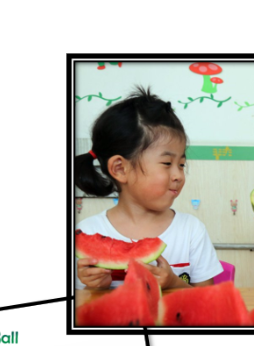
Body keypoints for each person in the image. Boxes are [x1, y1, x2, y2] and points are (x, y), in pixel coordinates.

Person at [75, 87, 222, 290]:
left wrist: (174, 284)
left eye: (181, 164)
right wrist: (94, 287)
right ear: (120, 169)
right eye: (167, 163)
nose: (179, 175)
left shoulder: (191, 230)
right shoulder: (88, 231)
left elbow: (208, 301)